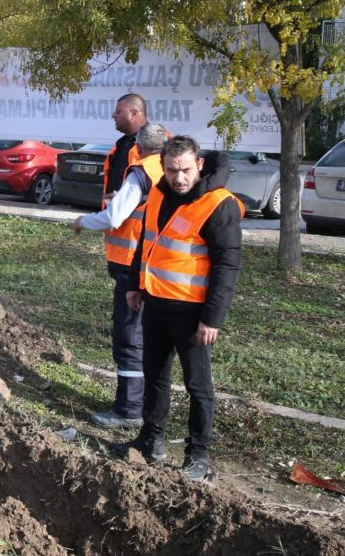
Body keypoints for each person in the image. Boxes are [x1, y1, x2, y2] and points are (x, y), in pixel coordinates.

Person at [111, 135, 242, 483]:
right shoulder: (157, 192)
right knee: (155, 376)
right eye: (171, 171)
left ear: (199, 164)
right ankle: (151, 441)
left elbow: (227, 266)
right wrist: (137, 286)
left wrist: (212, 318)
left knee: (198, 386)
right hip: (155, 303)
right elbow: (147, 241)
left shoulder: (219, 204)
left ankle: (198, 455)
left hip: (193, 315)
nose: (179, 178)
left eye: (185, 170)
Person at [83, 93, 153, 429]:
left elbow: (121, 213)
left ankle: (129, 410)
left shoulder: (147, 155)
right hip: (130, 255)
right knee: (136, 333)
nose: (113, 114)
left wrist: (85, 221)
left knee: (130, 334)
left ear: (136, 113)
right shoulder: (127, 145)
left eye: (119, 110)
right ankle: (137, 402)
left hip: (135, 256)